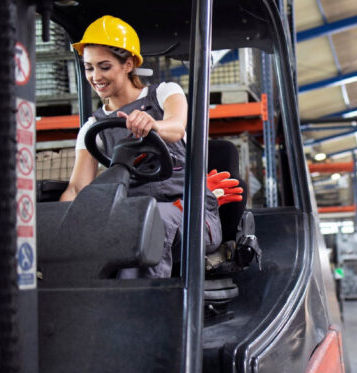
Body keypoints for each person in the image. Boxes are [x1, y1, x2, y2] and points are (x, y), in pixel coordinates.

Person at [61, 15, 242, 278]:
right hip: (129, 220)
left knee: (147, 221)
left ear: (128, 64)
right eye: (89, 68)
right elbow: (77, 187)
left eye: (104, 66)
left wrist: (153, 125)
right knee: (120, 227)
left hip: (191, 216)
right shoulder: (92, 128)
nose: (95, 76)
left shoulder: (164, 93)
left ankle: (144, 311)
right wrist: (59, 223)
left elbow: (177, 126)